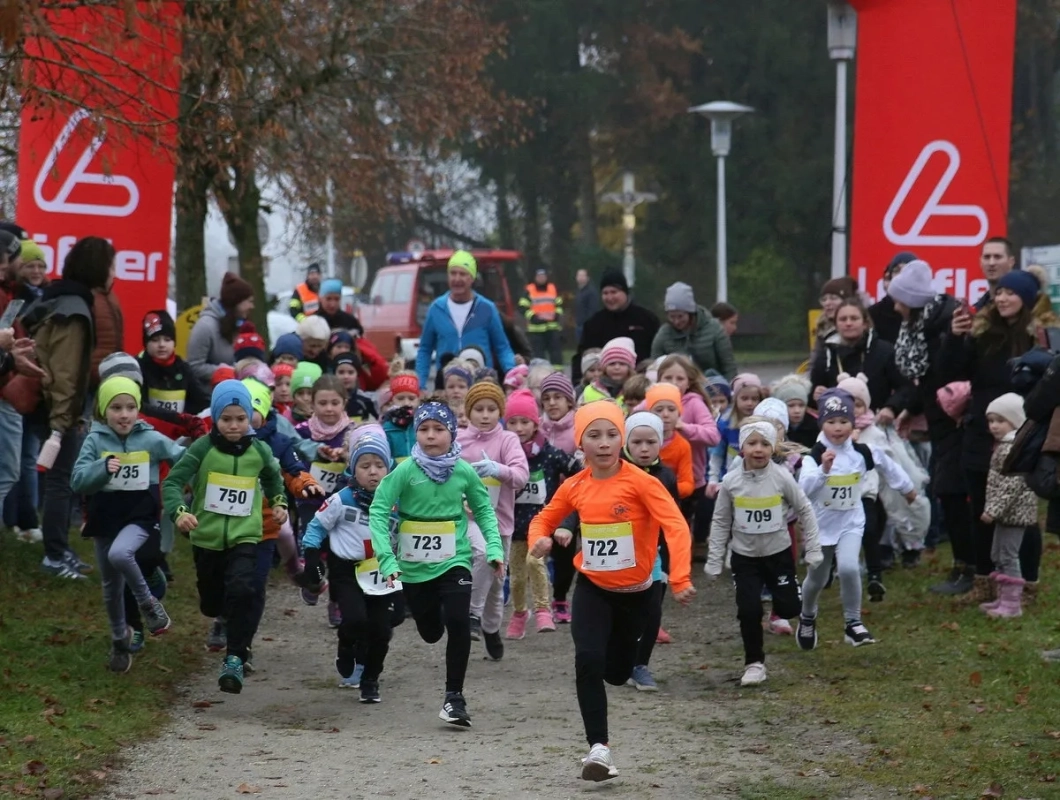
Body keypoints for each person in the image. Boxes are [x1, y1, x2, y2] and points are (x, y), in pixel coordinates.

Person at [528, 401, 694, 782]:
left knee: (617, 673)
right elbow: (545, 518)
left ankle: (621, 670)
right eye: (594, 435)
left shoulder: (642, 483)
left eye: (611, 435)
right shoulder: (575, 486)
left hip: (637, 593)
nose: (603, 444)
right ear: (580, 442)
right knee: (587, 658)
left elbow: (677, 527)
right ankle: (598, 749)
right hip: (593, 587)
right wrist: (540, 539)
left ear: (622, 439)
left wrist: (681, 578)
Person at [369, 402, 504, 728]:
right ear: (416, 432)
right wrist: (387, 559)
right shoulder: (405, 470)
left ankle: (454, 698)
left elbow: (484, 511)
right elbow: (379, 509)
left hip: (454, 560)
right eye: (424, 429)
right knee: (430, 632)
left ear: (451, 433)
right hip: (414, 567)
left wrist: (494, 548)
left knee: (459, 620)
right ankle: (434, 616)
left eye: (439, 429)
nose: (431, 436)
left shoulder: (464, 470)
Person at [163, 380, 288, 694]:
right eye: (227, 419)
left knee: (244, 589)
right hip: (206, 538)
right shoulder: (202, 449)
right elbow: (172, 483)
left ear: (249, 419)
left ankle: (235, 657)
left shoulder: (260, 450)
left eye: (241, 419)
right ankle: (219, 616)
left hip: (246, 535)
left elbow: (274, 480)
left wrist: (279, 504)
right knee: (212, 602)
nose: (234, 426)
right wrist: (179, 512)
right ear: (215, 419)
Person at [938, 266, 1054, 604]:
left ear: (1027, 299)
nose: (1002, 298)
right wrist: (955, 338)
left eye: (1010, 293)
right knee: (983, 509)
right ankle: (985, 581)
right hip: (981, 429)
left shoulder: (1043, 334)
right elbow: (950, 372)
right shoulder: (981, 331)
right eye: (999, 292)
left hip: (1027, 431)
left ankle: (1025, 584)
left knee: (1022, 511)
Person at [71, 376, 185, 672]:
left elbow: (181, 458)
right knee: (110, 586)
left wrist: (189, 485)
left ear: (138, 410)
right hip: (105, 518)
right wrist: (102, 468)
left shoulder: (150, 438)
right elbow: (77, 480)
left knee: (120, 554)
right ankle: (120, 639)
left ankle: (148, 604)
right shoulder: (95, 440)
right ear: (103, 411)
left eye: (130, 407)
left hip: (139, 515)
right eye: (116, 407)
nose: (124, 414)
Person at [796, 389, 915, 649]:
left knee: (850, 568)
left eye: (843, 421)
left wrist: (906, 488)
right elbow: (803, 488)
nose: (838, 428)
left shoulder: (862, 452)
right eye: (831, 422)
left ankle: (853, 623)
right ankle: (807, 616)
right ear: (821, 424)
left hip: (851, 522)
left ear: (853, 422)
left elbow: (887, 464)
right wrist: (823, 471)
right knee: (817, 578)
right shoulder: (814, 456)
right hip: (821, 526)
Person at [707, 419, 821, 686]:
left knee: (788, 607)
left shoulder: (781, 476)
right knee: (748, 610)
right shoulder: (731, 481)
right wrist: (714, 560)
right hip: (744, 558)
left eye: (765, 444)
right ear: (742, 448)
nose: (758, 449)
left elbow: (804, 509)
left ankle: (801, 605)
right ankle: (754, 663)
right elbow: (721, 520)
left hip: (778, 554)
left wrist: (813, 548)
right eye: (752, 443)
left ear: (774, 448)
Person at [30, 237, 112, 580]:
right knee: (61, 482)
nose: (113, 273)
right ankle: (54, 555)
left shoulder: (66, 299)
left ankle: (61, 550)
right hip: (58, 412)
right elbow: (64, 371)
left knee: (63, 481)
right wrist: (63, 423)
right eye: (110, 265)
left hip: (57, 409)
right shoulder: (74, 310)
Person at [883, 260, 967, 594]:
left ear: (913, 301)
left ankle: (968, 567)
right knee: (947, 489)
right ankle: (964, 565)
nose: (895, 306)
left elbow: (943, 373)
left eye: (899, 299)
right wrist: (911, 409)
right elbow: (928, 380)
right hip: (938, 416)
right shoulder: (922, 323)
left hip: (954, 419)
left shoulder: (942, 325)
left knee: (952, 490)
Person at [302, 428, 402, 701]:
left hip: (382, 572)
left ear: (389, 468)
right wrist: (311, 558)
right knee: (356, 619)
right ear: (353, 469)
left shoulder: (397, 503)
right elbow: (315, 529)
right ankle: (346, 646)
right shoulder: (341, 500)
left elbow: (406, 545)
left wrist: (403, 589)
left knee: (382, 630)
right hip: (347, 571)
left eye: (379, 465)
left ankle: (371, 679)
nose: (373, 472)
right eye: (365, 465)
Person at [457, 380, 529, 658]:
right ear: (468, 412)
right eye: (478, 409)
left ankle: (490, 628)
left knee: (497, 583)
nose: (485, 415)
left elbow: (521, 477)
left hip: (500, 522)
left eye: (491, 409)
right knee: (487, 556)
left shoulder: (508, 440)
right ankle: (472, 617)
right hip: (467, 520)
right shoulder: (458, 440)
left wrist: (497, 469)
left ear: (500, 411)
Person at [505, 389, 575, 638]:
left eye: (525, 422)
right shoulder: (504, 454)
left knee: (535, 564)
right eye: (512, 422)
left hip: (541, 523)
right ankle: (520, 613)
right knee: (516, 578)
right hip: (513, 526)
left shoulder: (548, 452)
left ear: (536, 423)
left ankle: (543, 610)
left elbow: (574, 467)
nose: (518, 428)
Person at [621, 411, 679, 691]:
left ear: (660, 443)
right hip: (618, 555)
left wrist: (670, 564)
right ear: (626, 443)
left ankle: (640, 665)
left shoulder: (666, 476)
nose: (644, 449)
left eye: (650, 442)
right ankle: (617, 657)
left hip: (653, 555)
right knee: (621, 613)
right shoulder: (616, 472)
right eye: (637, 443)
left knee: (652, 611)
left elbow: (674, 521)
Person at [416, 251, 516, 386]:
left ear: (472, 278)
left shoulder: (487, 308)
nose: (457, 279)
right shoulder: (436, 309)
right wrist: (420, 384)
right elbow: (425, 349)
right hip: (447, 385)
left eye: (463, 274)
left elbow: (502, 347)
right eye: (453, 273)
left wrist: (512, 374)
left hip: (480, 383)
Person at [978, 393, 1036, 618]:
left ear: (1015, 421)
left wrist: (993, 509)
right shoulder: (1003, 445)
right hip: (1005, 512)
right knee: (998, 553)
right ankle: (1002, 598)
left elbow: (1012, 484)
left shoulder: (1013, 447)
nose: (994, 426)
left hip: (1014, 513)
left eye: (1000, 421)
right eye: (991, 421)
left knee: (1009, 555)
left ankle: (1012, 604)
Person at [810, 298, 908, 416]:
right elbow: (813, 395)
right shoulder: (826, 354)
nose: (848, 323)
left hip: (877, 423)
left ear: (865, 324)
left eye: (854, 318)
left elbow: (905, 387)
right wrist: (816, 395)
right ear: (835, 324)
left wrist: (891, 408)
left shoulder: (883, 350)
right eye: (843, 319)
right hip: (838, 426)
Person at [573, 269, 660, 385]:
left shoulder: (647, 319)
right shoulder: (594, 323)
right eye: (605, 293)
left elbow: (657, 354)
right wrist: (578, 383)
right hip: (604, 384)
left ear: (625, 292)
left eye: (614, 292)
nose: (609, 297)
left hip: (640, 383)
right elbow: (582, 356)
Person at [186, 272, 255, 398]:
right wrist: (228, 371)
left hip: (234, 395)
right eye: (249, 301)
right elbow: (194, 366)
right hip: (208, 398)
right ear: (236, 301)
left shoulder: (239, 324)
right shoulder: (205, 327)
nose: (252, 306)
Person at [650, 282, 737, 379]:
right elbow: (654, 367)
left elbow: (729, 366)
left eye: (680, 316)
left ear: (691, 313)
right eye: (672, 317)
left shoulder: (714, 329)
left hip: (712, 385)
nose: (676, 321)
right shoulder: (664, 334)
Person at [868, 252, 917, 344]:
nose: (902, 275)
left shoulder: (929, 311)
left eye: (907, 270)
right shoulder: (874, 313)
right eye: (897, 270)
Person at [520, 267, 563, 365]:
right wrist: (533, 317)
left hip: (552, 328)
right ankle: (540, 375)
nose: (541, 278)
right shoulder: (529, 290)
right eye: (539, 276)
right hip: (536, 329)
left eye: (543, 276)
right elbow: (522, 307)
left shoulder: (553, 289)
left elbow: (559, 304)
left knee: (556, 354)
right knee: (539, 355)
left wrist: (557, 314)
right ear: (535, 278)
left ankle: (558, 374)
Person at [579, 337, 635, 405]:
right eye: (612, 364)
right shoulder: (590, 390)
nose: (617, 367)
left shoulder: (638, 390)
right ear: (604, 367)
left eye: (622, 364)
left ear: (630, 367)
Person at [976, 237, 1017, 311]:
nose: (991, 263)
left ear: (1011, 262)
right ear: (980, 262)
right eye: (987, 257)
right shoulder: (978, 309)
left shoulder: (1024, 306)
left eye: (997, 257)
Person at [574, 268, 599, 343]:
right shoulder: (579, 291)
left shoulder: (591, 291)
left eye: (583, 276)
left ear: (587, 278)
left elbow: (593, 309)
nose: (580, 278)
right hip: (578, 324)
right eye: (579, 275)